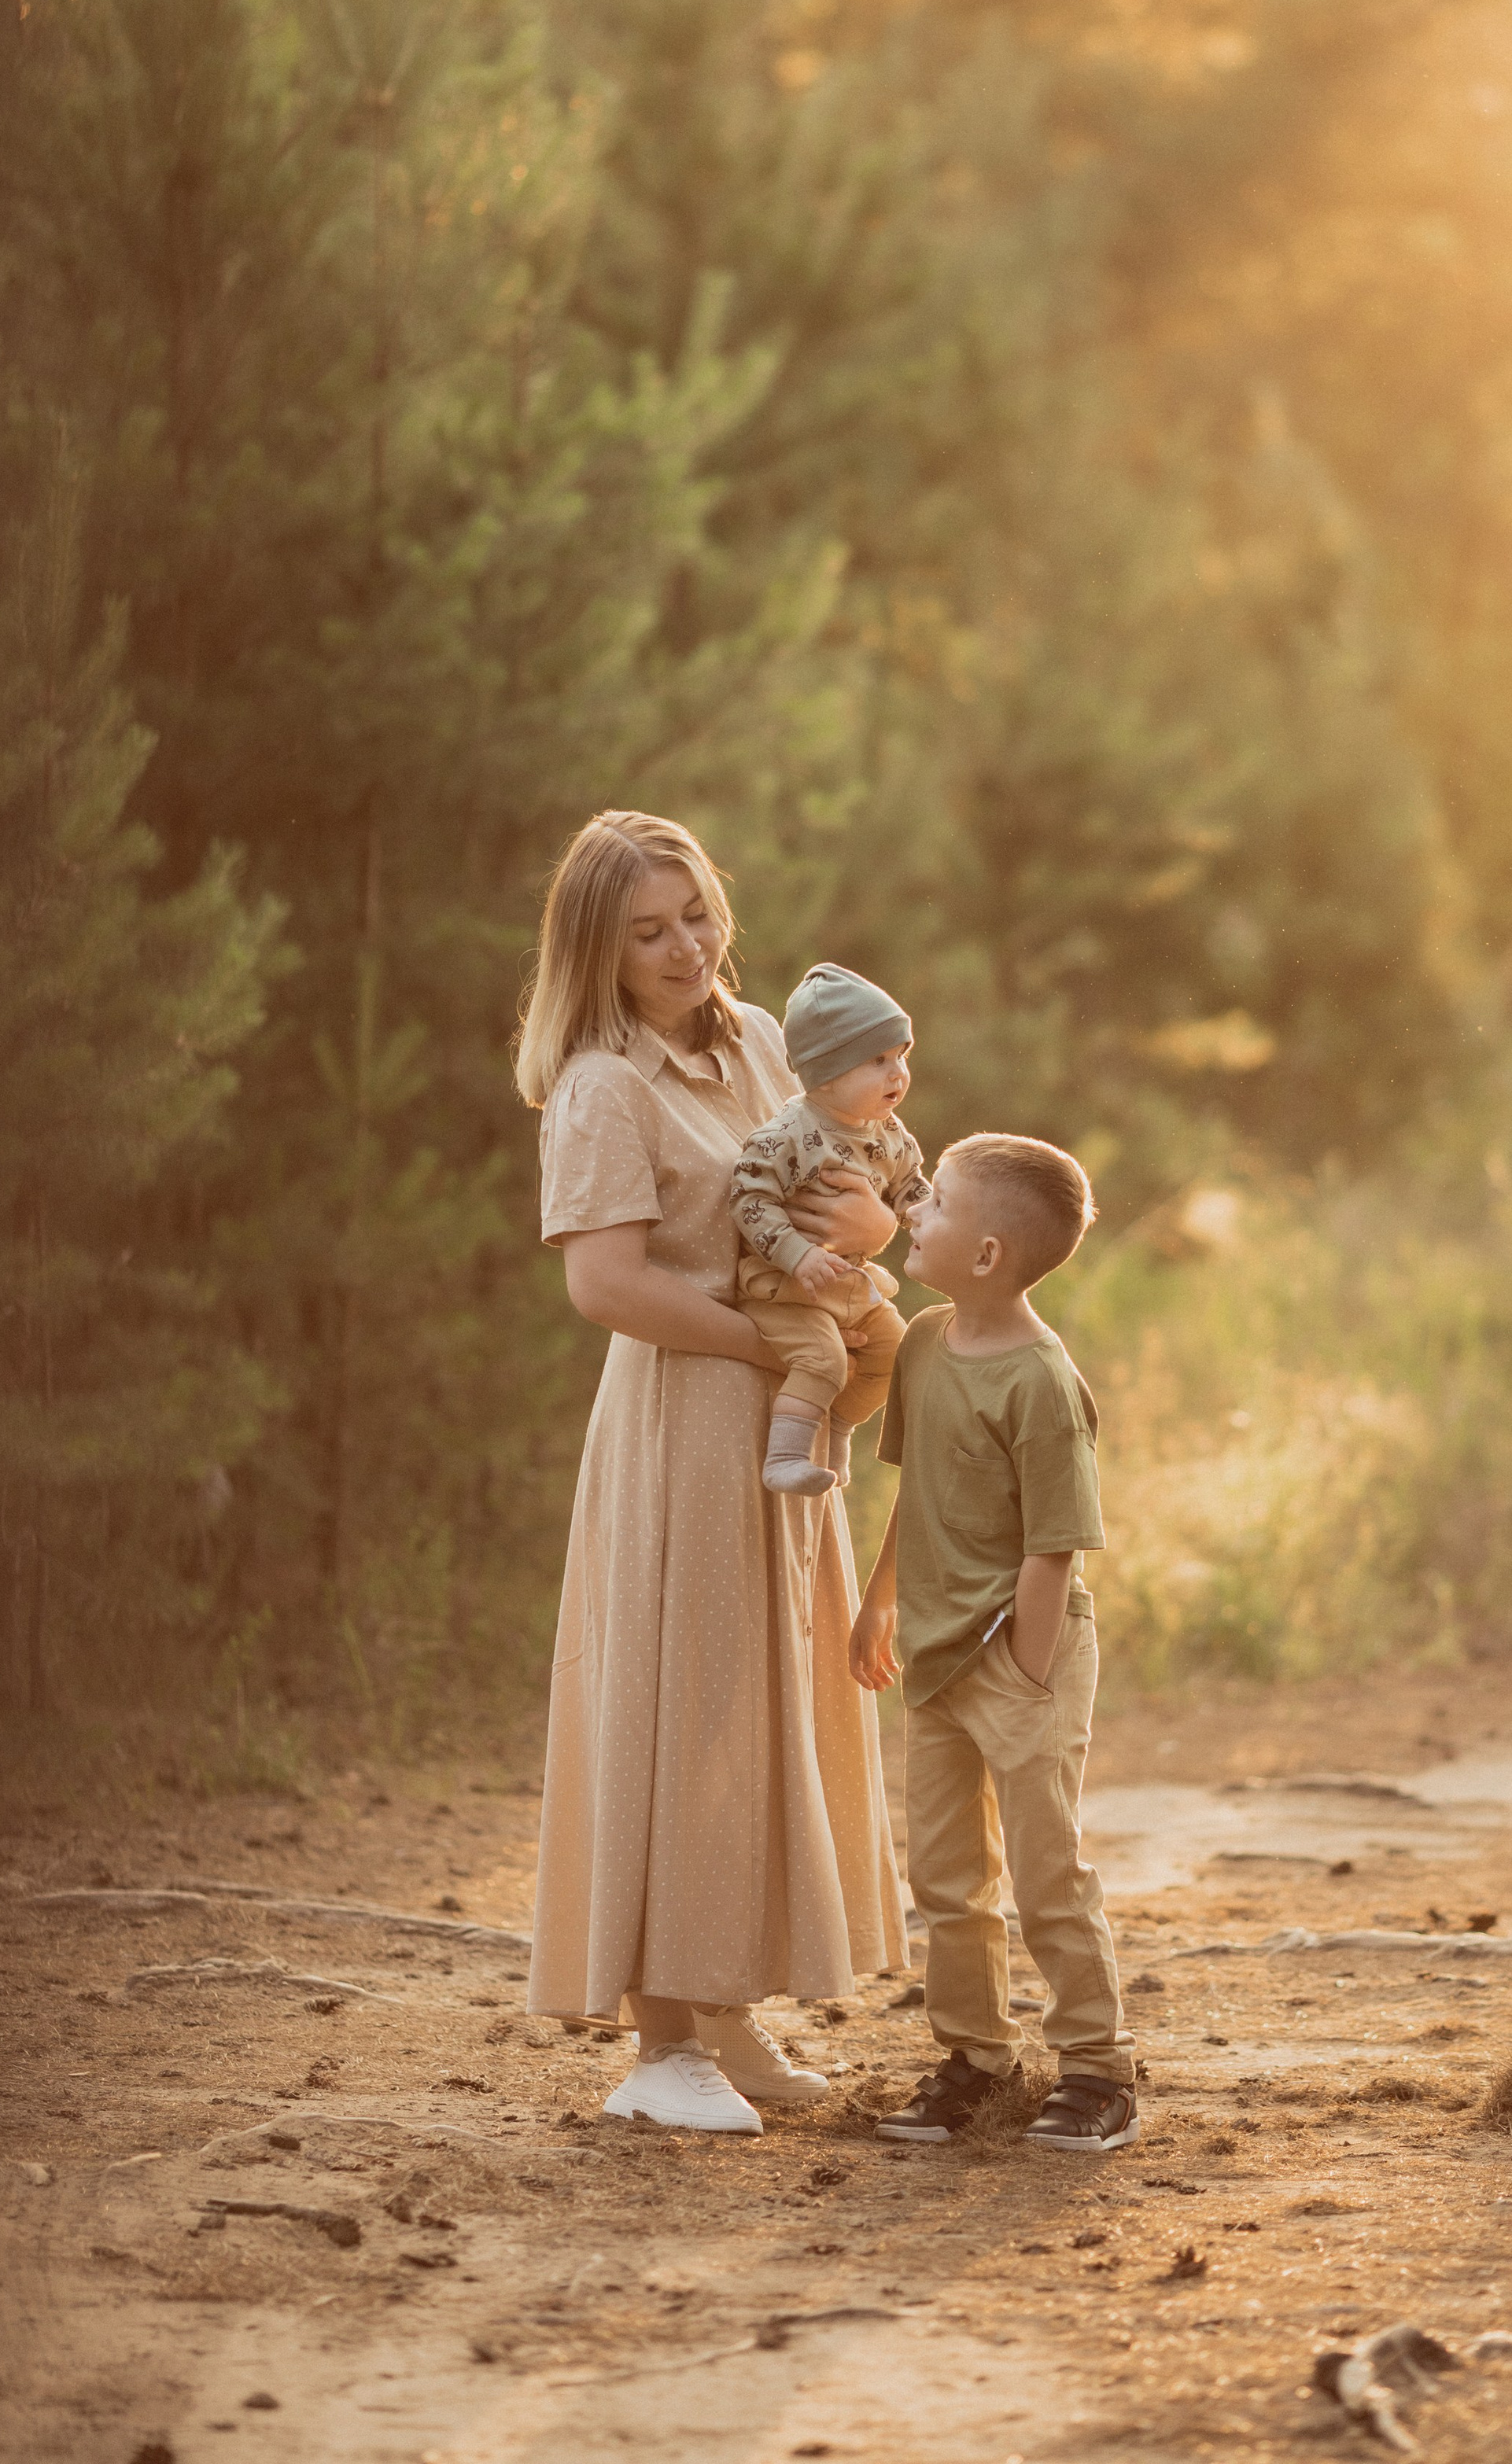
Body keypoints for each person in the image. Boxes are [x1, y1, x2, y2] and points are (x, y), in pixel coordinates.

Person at [515, 811, 908, 2136]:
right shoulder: (601, 1084)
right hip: (688, 1414)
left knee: (759, 1706)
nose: (687, 947)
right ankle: (662, 2040)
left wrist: (865, 1263)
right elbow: (605, 1282)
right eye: (650, 931)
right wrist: (769, 1343)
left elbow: (833, 1177)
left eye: (696, 914)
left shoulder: (760, 1040)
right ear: (600, 949)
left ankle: (730, 2007)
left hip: (790, 1408)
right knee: (683, 1705)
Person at [850, 1133, 1138, 2153]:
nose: (912, 1207)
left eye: (932, 1202)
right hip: (933, 1657)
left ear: (986, 1254)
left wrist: (1024, 1670)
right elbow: (913, 1492)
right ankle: (975, 2058)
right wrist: (878, 1601)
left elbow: (1055, 1548)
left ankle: (1100, 2068)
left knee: (1045, 1865)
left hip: (1027, 1659)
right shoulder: (924, 1343)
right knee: (944, 1872)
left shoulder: (1044, 1385)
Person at [729, 963, 930, 1497]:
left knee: (896, 1351)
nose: (898, 1073)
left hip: (849, 1284)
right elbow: (748, 1200)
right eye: (879, 1060)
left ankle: (838, 1428)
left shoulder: (887, 1131)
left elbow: (912, 1187)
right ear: (827, 1073)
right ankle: (786, 1456)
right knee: (823, 1358)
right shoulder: (786, 1136)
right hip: (788, 1289)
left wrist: (933, 1219)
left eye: (901, 1056)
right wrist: (795, 1253)